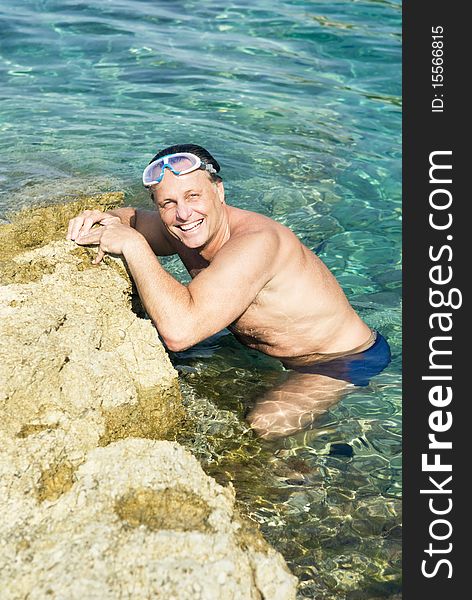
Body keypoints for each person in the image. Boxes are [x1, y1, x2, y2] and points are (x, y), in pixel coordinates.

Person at [67, 144, 391, 439]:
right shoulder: (183, 229)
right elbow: (134, 219)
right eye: (168, 203)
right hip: (279, 355)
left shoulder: (255, 243)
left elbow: (180, 332)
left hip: (343, 359)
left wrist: (134, 246)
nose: (184, 213)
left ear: (219, 192)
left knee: (264, 425)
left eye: (194, 196)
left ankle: (312, 463)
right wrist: (105, 219)